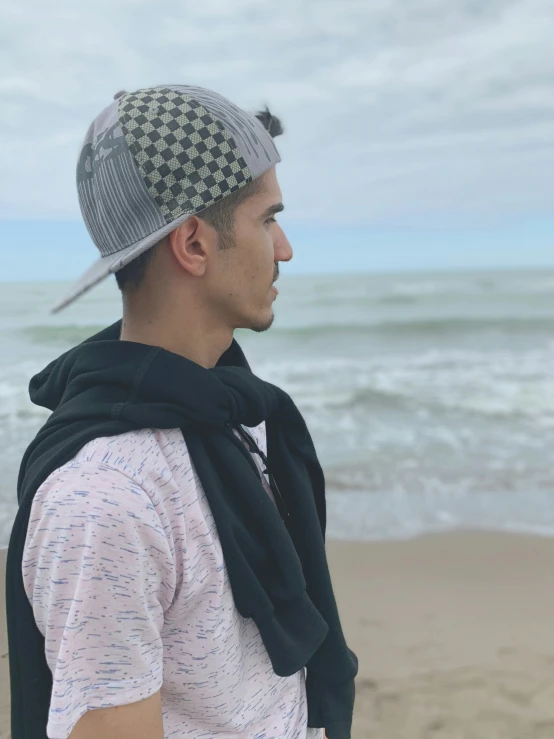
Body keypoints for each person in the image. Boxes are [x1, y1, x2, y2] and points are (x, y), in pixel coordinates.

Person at [6, 85, 358, 739]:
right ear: (194, 244)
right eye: (266, 219)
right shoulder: (106, 498)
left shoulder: (232, 411)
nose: (284, 249)